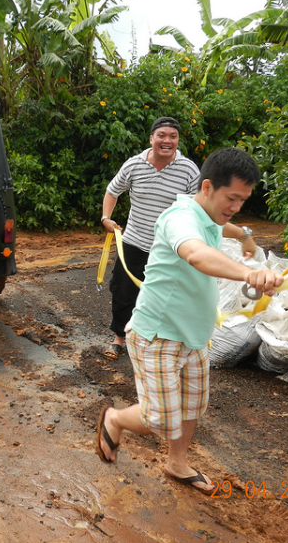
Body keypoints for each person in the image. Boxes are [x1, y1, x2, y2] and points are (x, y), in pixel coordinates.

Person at [95, 147, 283, 493]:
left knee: (192, 406)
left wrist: (243, 234)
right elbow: (196, 253)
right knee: (160, 417)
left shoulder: (212, 217)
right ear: (208, 187)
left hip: (194, 336)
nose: (236, 207)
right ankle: (116, 418)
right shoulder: (180, 217)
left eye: (243, 200)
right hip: (158, 335)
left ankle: (177, 463)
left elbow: (221, 230)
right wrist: (249, 273)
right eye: (233, 198)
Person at [101, 117, 256, 360]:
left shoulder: (188, 170)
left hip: (173, 250)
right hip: (133, 242)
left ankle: (148, 346)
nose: (167, 140)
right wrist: (105, 217)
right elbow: (113, 190)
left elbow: (207, 213)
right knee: (123, 294)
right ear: (151, 139)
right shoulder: (133, 165)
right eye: (162, 135)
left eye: (173, 136)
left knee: (166, 298)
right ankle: (120, 338)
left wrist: (243, 234)